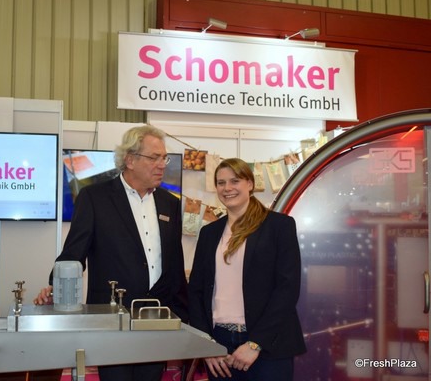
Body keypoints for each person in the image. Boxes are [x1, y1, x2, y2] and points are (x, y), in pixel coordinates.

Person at [34, 124, 188, 381]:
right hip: (111, 317)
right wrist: (56, 286)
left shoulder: (169, 203)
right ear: (130, 160)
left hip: (157, 317)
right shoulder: (95, 198)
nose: (162, 165)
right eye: (154, 157)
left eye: (164, 158)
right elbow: (74, 252)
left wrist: (185, 314)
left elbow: (174, 263)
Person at [188, 158, 306, 381]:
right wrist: (207, 345)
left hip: (268, 345)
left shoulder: (279, 226)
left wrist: (255, 344)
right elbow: (195, 292)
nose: (227, 188)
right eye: (221, 183)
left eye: (235, 181)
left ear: (250, 184)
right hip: (219, 347)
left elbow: (287, 289)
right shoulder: (209, 233)